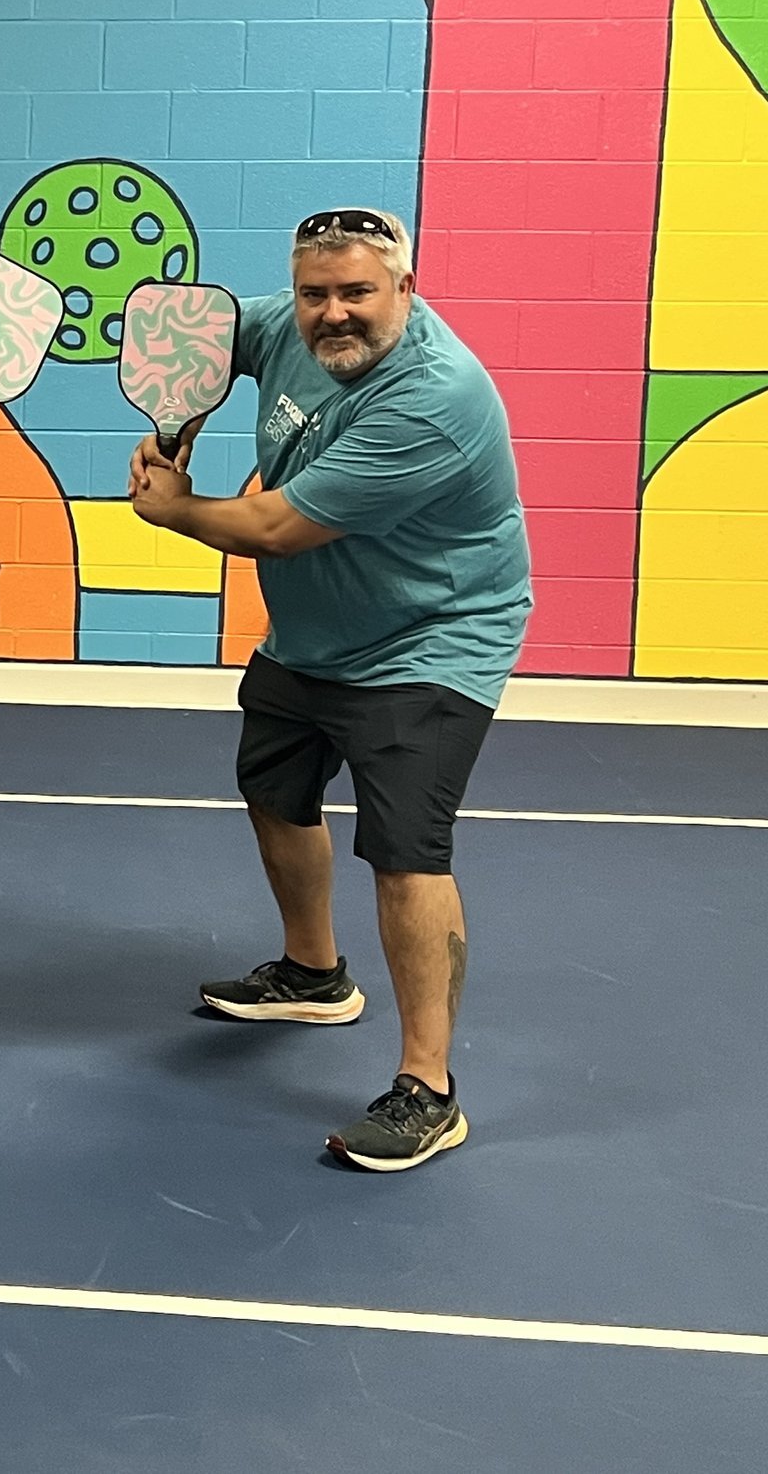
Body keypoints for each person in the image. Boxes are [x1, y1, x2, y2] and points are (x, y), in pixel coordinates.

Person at [128, 206, 531, 1171]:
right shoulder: (285, 324)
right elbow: (196, 335)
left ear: (406, 289)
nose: (334, 314)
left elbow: (271, 526)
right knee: (274, 790)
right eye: (318, 293)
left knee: (404, 853)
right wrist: (178, 417)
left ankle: (428, 1088)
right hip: (313, 632)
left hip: (429, 639)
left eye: (358, 293)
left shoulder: (433, 397)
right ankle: (313, 972)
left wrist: (174, 506)